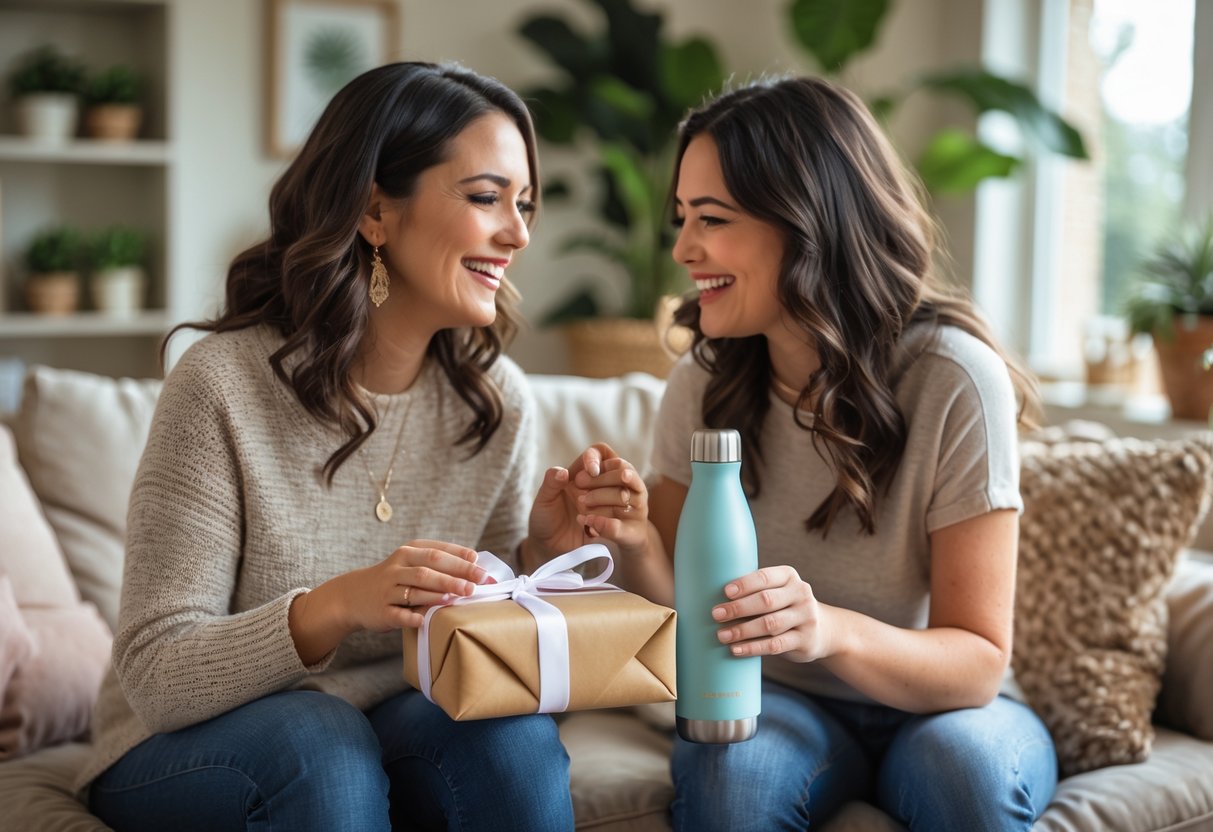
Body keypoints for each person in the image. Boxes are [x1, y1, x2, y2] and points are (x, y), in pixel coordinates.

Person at [78, 61, 623, 832]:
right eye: (485, 198)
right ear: (374, 210)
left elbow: (487, 663)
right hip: (180, 746)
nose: (518, 232)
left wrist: (540, 563)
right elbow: (157, 677)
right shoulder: (223, 385)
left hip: (385, 723)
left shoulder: (495, 402)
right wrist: (334, 608)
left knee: (510, 740)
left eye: (524, 204)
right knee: (319, 742)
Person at [579, 76, 1060, 831]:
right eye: (681, 218)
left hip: (943, 708)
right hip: (773, 700)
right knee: (731, 786)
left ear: (804, 223)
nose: (681, 248)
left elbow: (976, 661)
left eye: (711, 218)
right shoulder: (701, 385)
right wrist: (634, 544)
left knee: (964, 777)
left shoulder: (951, 379)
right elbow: (682, 621)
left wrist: (826, 629)